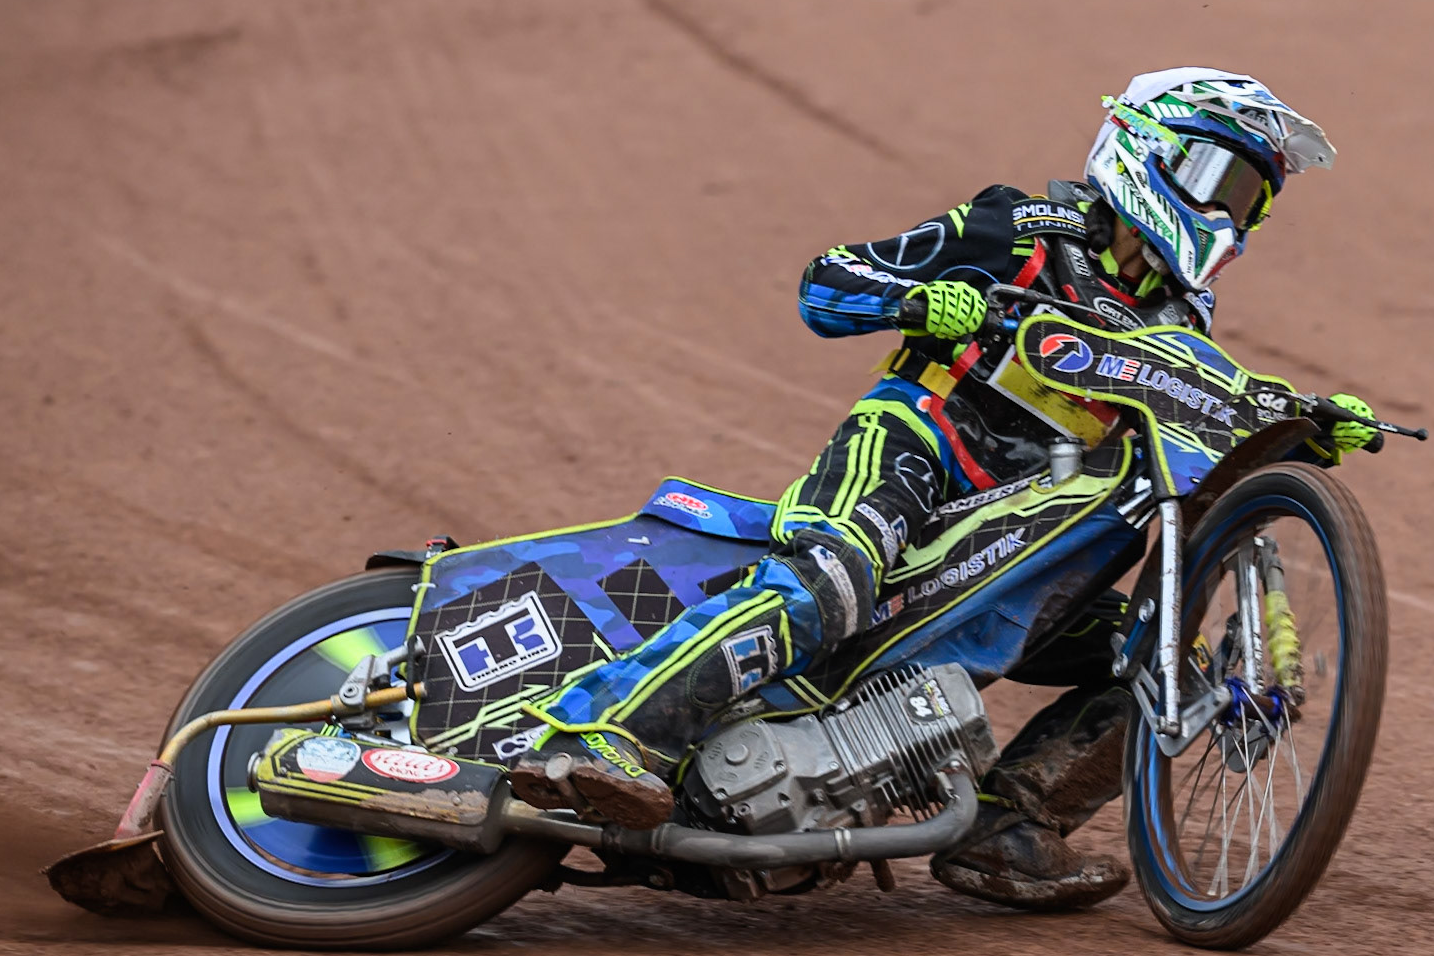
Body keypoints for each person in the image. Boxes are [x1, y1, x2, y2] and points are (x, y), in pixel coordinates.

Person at [506, 67, 1377, 911]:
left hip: (1023, 524)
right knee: (832, 579)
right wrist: (924, 299)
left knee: (1163, 665)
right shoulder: (1023, 228)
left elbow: (1195, 435)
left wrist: (1300, 422)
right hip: (918, 441)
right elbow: (827, 282)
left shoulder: (1181, 325)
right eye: (1216, 179)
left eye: (1248, 199)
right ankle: (600, 735)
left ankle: (1007, 828)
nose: (1226, 213)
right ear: (1145, 149)